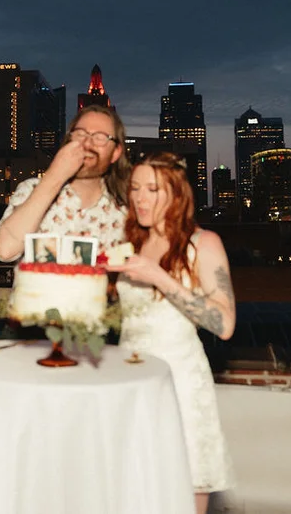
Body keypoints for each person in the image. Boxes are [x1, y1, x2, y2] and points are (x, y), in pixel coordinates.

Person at [105, 151, 237, 514]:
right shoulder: (130, 241)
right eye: (135, 189)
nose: (140, 198)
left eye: (152, 189)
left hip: (179, 382)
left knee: (185, 492)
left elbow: (224, 325)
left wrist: (160, 278)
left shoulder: (203, 243)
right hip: (129, 380)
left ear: (177, 194)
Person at [0, 104, 130, 262]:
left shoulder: (125, 212)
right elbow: (5, 250)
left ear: (116, 153)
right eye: (80, 134)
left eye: (100, 137)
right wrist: (55, 175)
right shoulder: (31, 189)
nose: (87, 143)